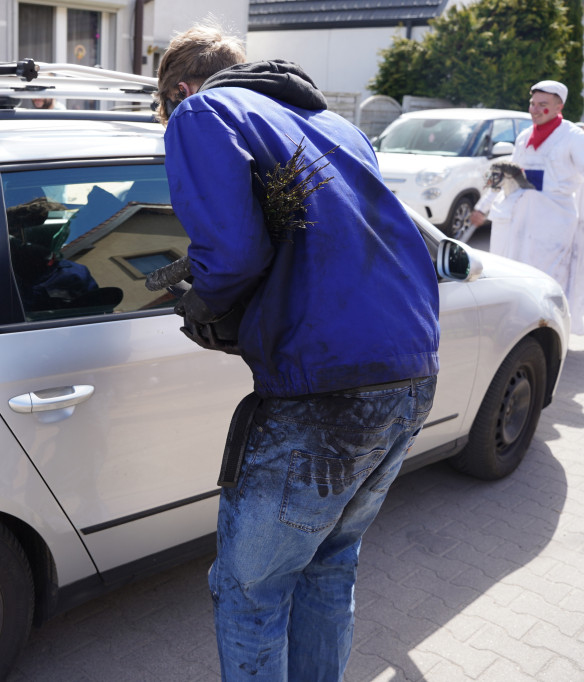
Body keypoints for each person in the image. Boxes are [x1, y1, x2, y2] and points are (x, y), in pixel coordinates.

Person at [157, 23, 440, 681]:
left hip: (322, 395)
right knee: (330, 568)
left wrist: (203, 300)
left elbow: (233, 253)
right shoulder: (335, 127)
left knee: (252, 591)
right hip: (410, 373)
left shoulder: (203, 111)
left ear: (179, 88)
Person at [469, 80, 584, 333]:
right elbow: (507, 177)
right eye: (532, 103)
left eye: (542, 105)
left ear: (558, 107)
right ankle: (520, 327)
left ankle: (550, 331)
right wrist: (482, 207)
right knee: (517, 274)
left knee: (549, 278)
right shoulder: (523, 137)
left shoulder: (573, 137)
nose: (534, 110)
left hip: (554, 222)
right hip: (519, 220)